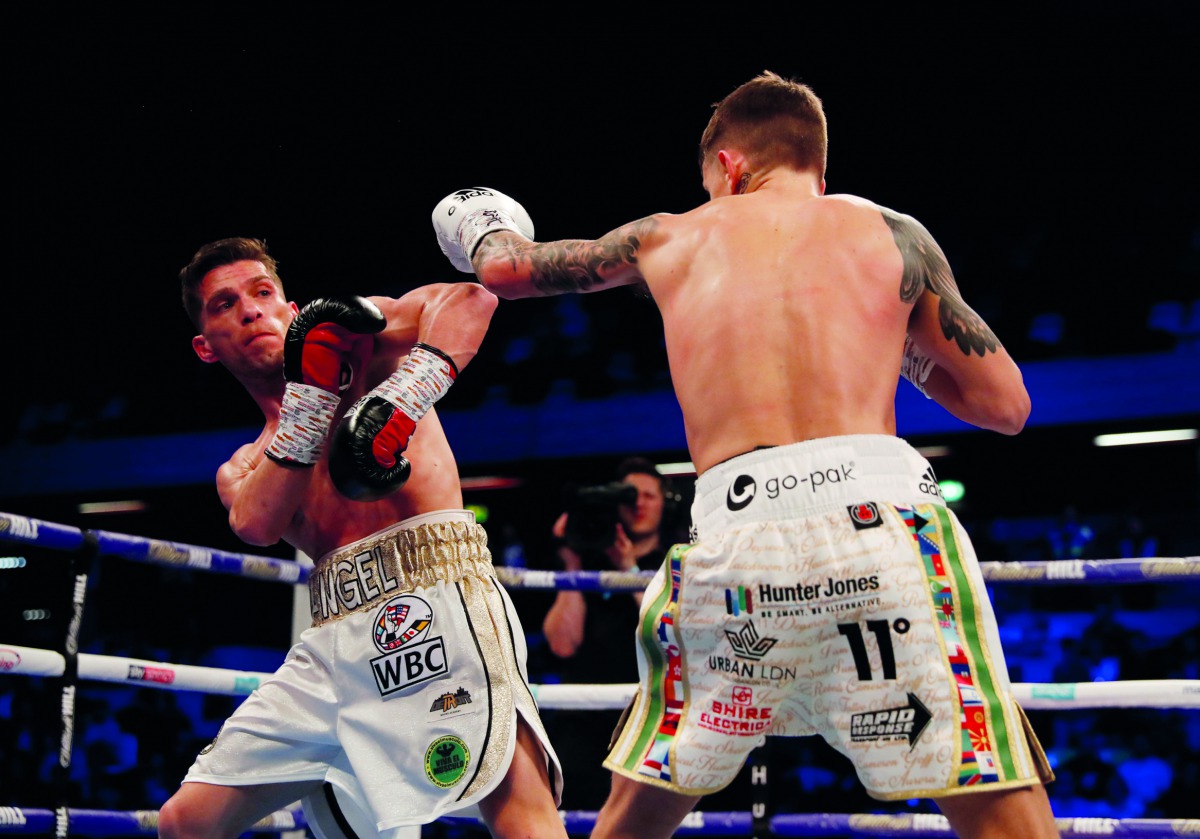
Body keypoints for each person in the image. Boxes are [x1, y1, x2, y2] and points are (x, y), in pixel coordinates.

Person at [432, 72, 1059, 838]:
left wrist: (482, 218)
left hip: (736, 544)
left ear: (727, 166)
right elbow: (1006, 405)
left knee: (638, 811)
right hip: (882, 529)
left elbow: (506, 269)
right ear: (819, 171)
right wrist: (894, 345)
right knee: (995, 804)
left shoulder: (672, 234)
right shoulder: (891, 232)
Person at [158, 237, 566, 839]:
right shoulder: (244, 465)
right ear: (205, 347)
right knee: (184, 822)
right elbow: (256, 523)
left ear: (292, 309)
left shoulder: (364, 343)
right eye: (224, 305)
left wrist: (400, 399)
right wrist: (311, 400)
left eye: (262, 293)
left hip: (437, 597)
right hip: (331, 647)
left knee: (518, 812)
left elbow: (470, 299)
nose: (249, 311)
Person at [540, 457, 686, 809]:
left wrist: (628, 570)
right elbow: (561, 644)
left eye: (648, 496)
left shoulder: (677, 560)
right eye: (627, 495)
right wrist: (572, 563)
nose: (638, 504)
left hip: (653, 716)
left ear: (664, 503)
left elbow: (678, 633)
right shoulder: (587, 558)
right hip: (585, 720)